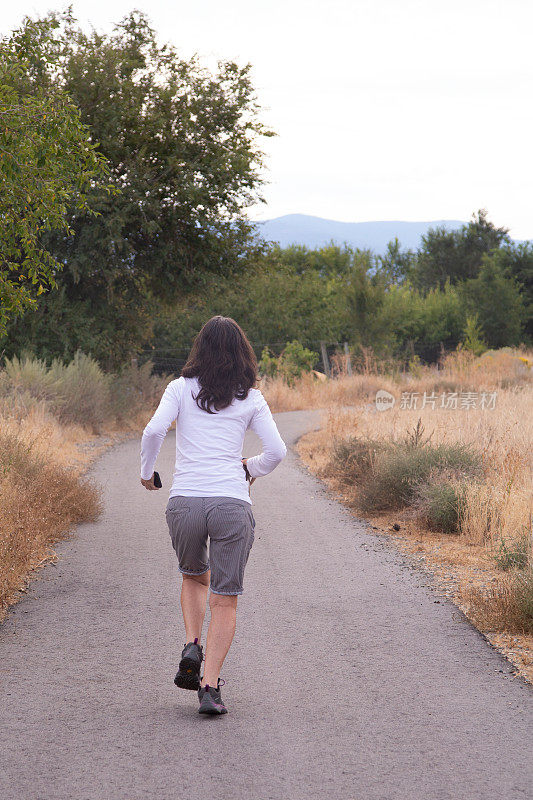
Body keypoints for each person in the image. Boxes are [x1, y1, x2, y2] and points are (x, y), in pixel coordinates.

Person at [139, 316, 287, 715]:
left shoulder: (178, 389)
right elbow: (276, 453)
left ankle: (192, 644)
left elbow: (153, 431)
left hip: (184, 503)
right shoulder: (251, 397)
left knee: (192, 577)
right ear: (243, 353)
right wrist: (248, 468)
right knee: (225, 601)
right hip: (231, 504)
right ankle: (209, 687)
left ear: (199, 349)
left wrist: (146, 474)